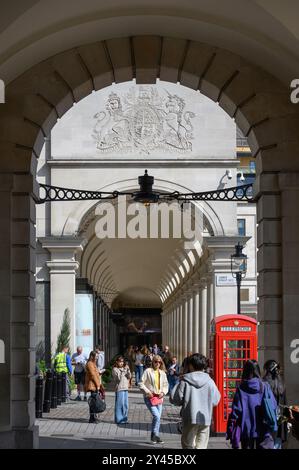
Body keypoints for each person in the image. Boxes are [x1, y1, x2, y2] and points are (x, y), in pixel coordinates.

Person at [170, 353, 220, 449]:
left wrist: (179, 382)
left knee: (187, 445)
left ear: (191, 365)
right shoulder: (210, 381)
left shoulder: (185, 381)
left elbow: (176, 399)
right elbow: (216, 400)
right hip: (205, 417)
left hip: (189, 418)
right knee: (201, 446)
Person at [227, 359, 278, 449]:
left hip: (246, 428)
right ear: (257, 370)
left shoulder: (241, 388)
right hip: (263, 426)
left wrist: (231, 426)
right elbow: (273, 406)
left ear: (245, 371)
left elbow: (236, 411)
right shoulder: (265, 386)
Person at [139, 354, 169, 444]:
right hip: (149, 397)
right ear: (153, 362)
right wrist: (148, 392)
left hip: (159, 398)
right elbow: (140, 383)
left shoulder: (162, 373)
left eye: (159, 362)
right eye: (156, 361)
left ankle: (155, 435)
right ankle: (154, 435)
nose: (157, 364)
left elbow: (166, 385)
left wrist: (163, 392)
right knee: (156, 416)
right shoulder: (148, 371)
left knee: (158, 417)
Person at [263, 359, 288, 449]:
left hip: (267, 421)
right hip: (279, 422)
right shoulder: (282, 384)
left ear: (267, 370)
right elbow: (285, 405)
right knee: (277, 445)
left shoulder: (264, 384)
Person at [112, 355, 132, 424]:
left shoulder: (124, 368)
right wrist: (123, 371)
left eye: (122, 362)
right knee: (119, 404)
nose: (122, 363)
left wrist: (128, 370)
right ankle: (119, 419)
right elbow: (118, 379)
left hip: (125, 388)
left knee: (125, 405)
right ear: (117, 362)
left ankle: (124, 418)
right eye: (120, 362)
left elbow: (129, 376)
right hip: (119, 388)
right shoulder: (115, 369)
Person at [84, 351, 102, 423]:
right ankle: (92, 418)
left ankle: (93, 417)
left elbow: (95, 373)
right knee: (93, 402)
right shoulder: (90, 364)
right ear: (92, 356)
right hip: (93, 385)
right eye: (96, 357)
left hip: (95, 384)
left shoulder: (93, 363)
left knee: (94, 401)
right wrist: (98, 385)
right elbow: (93, 375)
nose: (97, 358)